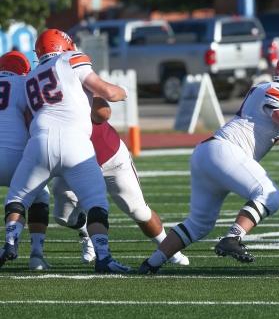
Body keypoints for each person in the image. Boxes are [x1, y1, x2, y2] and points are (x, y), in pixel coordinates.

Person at [138, 52, 279, 273]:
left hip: (208, 154)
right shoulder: (275, 90)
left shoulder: (278, 95)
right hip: (225, 151)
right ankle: (232, 237)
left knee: (198, 225)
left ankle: (151, 264)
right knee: (269, 194)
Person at [1, 29, 131, 273]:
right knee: (95, 203)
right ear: (65, 45)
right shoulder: (71, 59)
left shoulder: (29, 78)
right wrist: (123, 92)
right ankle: (103, 256)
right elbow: (108, 92)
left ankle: (9, 242)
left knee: (18, 198)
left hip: (40, 140)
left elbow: (27, 118)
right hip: (76, 142)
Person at [47, 97, 188, 266]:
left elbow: (104, 113)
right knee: (64, 217)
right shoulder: (38, 97)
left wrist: (91, 99)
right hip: (74, 164)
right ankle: (87, 232)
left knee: (139, 211)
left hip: (110, 158)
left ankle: (170, 250)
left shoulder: (78, 87)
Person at [0, 51, 53, 271]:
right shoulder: (25, 83)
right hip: (16, 157)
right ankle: (36, 254)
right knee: (39, 195)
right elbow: (34, 119)